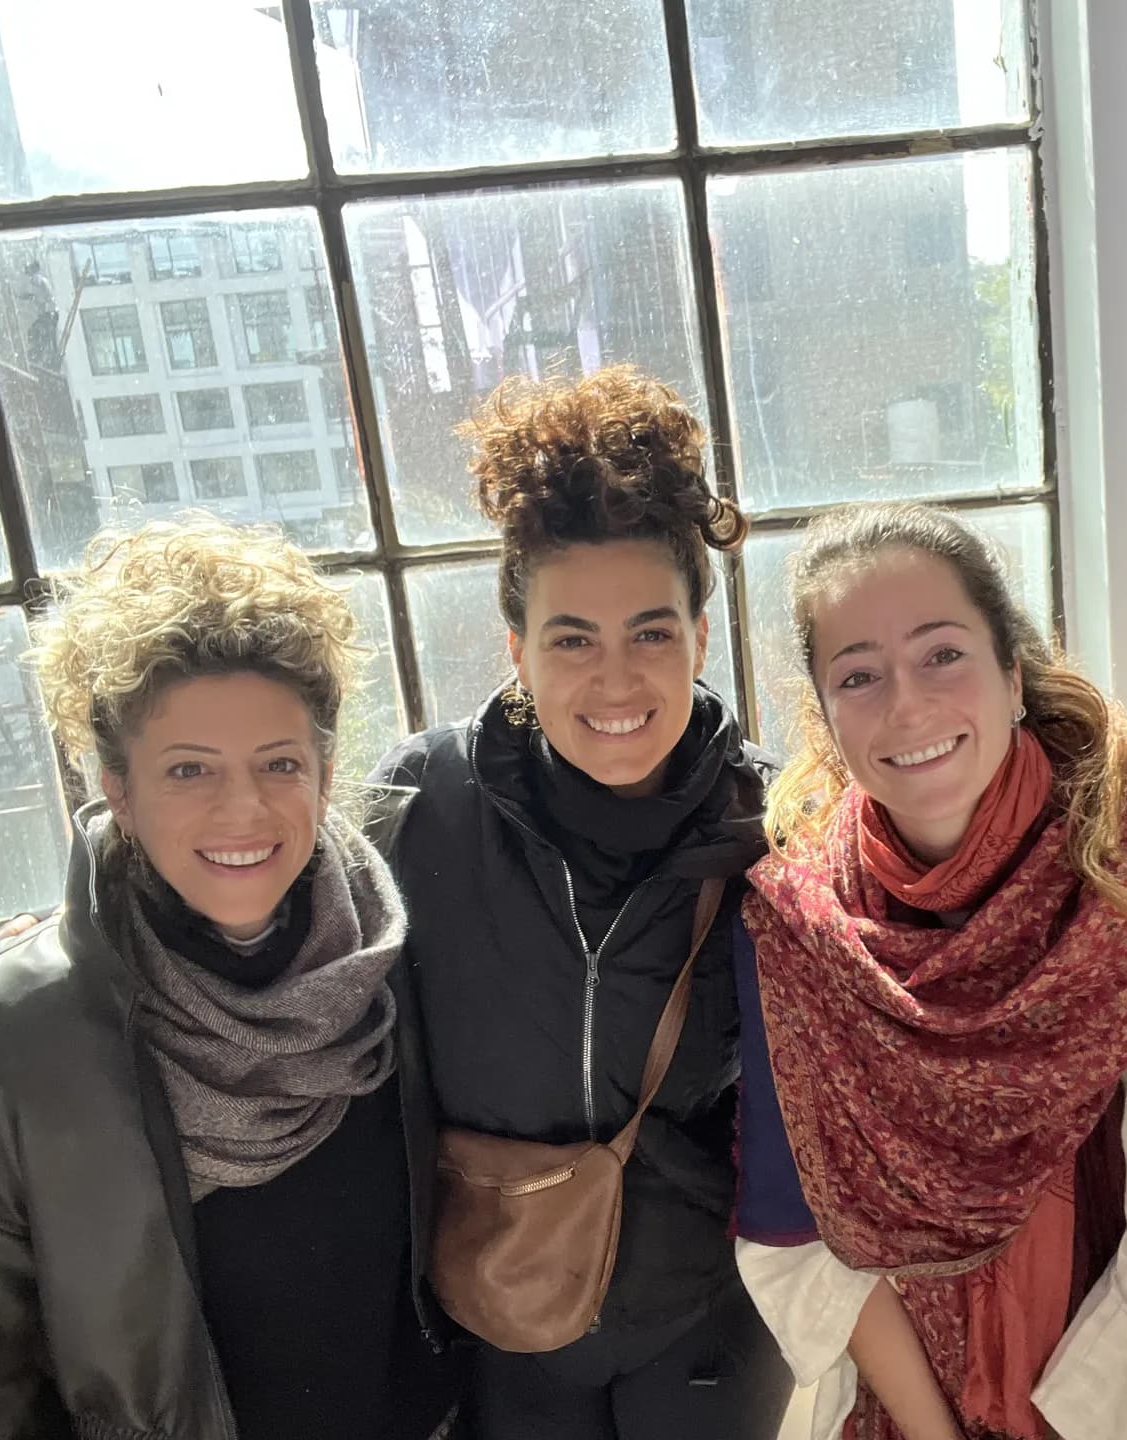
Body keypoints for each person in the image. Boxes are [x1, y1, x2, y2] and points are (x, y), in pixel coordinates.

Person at [0, 518, 463, 1440]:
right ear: (118, 786)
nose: (243, 810)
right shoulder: (5, 1034)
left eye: (279, 764)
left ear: (325, 772)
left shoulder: (388, 959)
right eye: (188, 769)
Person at [734, 502, 1127, 1440]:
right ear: (824, 718)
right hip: (896, 1411)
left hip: (1109, 1411)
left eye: (943, 654)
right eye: (859, 675)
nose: (907, 703)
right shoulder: (797, 926)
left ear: (1012, 672)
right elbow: (793, 1230)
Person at [370, 367, 792, 1439]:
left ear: (702, 638)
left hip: (708, 1321)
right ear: (515, 650)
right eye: (572, 639)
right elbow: (261, 882)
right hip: (498, 1315)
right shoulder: (420, 810)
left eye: (651, 634)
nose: (615, 682)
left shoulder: (774, 825)